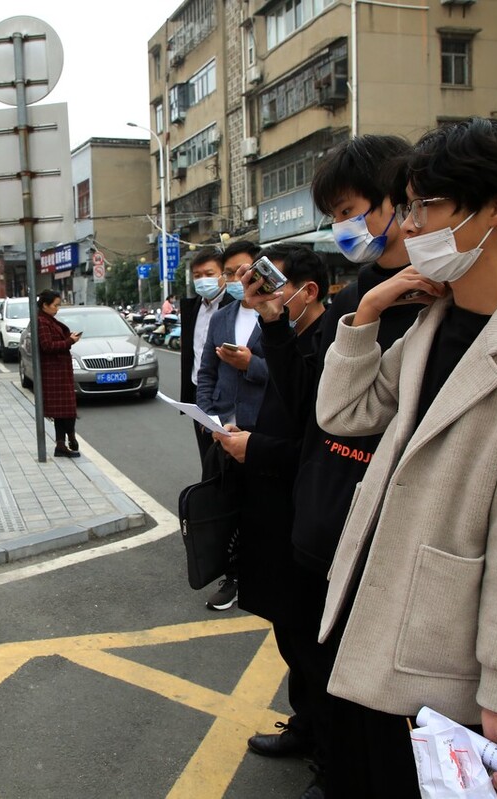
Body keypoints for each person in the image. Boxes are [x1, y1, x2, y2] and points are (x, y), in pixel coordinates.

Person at [314, 118, 497, 797]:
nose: (410, 225)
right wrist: (367, 312)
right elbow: (346, 412)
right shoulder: (435, 320)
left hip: (442, 653)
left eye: (427, 205)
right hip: (370, 616)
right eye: (409, 205)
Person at [214, 243, 327, 780]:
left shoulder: (329, 346)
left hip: (308, 520)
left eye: (270, 284)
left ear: (307, 291)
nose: (259, 294)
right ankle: (307, 727)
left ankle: (333, 761)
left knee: (313, 643)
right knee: (290, 633)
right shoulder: (283, 337)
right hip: (272, 508)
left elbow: (319, 445)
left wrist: (254, 448)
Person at [193, 241, 268, 611]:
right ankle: (233, 576)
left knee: (262, 510)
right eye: (229, 272)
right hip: (223, 431)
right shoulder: (223, 317)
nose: (237, 279)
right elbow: (206, 372)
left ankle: (262, 575)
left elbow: (294, 377)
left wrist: (251, 365)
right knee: (226, 507)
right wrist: (209, 417)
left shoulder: (279, 315)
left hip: (262, 432)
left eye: (244, 270)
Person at [178, 246, 235, 465]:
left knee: (228, 456)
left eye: (209, 274)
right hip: (199, 394)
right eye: (197, 276)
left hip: (227, 394)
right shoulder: (193, 308)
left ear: (223, 275)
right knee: (207, 455)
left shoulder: (234, 306)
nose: (203, 280)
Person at [35, 289, 82, 458]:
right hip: (53, 371)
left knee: (65, 410)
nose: (57, 309)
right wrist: (69, 341)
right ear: (45, 305)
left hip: (60, 370)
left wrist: (68, 338)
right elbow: (47, 346)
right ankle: (65, 441)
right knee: (64, 410)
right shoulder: (42, 321)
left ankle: (63, 443)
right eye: (55, 305)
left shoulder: (49, 320)